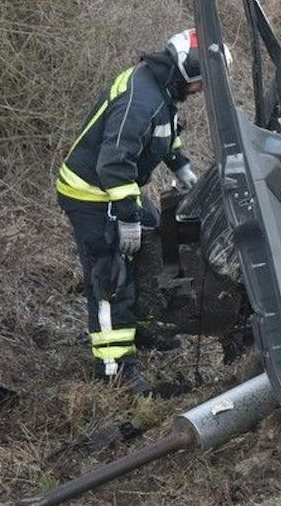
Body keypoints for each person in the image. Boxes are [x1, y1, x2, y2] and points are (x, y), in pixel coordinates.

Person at [56, 28, 202, 391]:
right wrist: (126, 217)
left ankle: (139, 328)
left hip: (116, 190)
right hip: (91, 194)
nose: (201, 91)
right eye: (201, 83)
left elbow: (165, 131)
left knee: (156, 241)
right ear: (187, 72)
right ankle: (115, 370)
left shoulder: (161, 88)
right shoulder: (140, 100)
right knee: (110, 278)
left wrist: (181, 165)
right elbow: (113, 163)